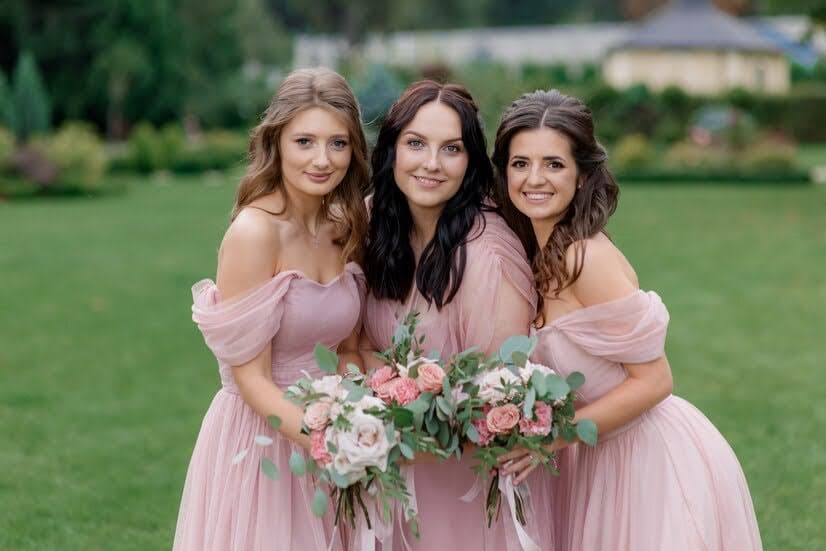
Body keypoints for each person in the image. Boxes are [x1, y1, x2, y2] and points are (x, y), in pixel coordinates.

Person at [494, 89, 763, 550]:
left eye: (553, 164)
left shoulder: (584, 257)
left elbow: (655, 380)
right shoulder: (534, 255)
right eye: (521, 163)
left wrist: (552, 441)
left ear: (581, 176)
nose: (534, 178)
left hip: (647, 459)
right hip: (598, 458)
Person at [173, 68, 369, 551]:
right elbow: (251, 379)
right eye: (305, 141)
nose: (322, 160)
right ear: (276, 142)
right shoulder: (254, 233)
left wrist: (362, 418)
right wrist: (324, 443)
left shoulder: (345, 226)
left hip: (333, 432)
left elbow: (345, 348)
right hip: (264, 440)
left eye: (338, 144)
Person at [360, 80, 555, 549]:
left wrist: (404, 413)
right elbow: (356, 340)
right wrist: (384, 400)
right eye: (415, 144)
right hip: (392, 473)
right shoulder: (372, 226)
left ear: (470, 163)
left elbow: (499, 396)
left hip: (467, 483)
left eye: (451, 148)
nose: (431, 163)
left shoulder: (489, 255)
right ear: (391, 152)